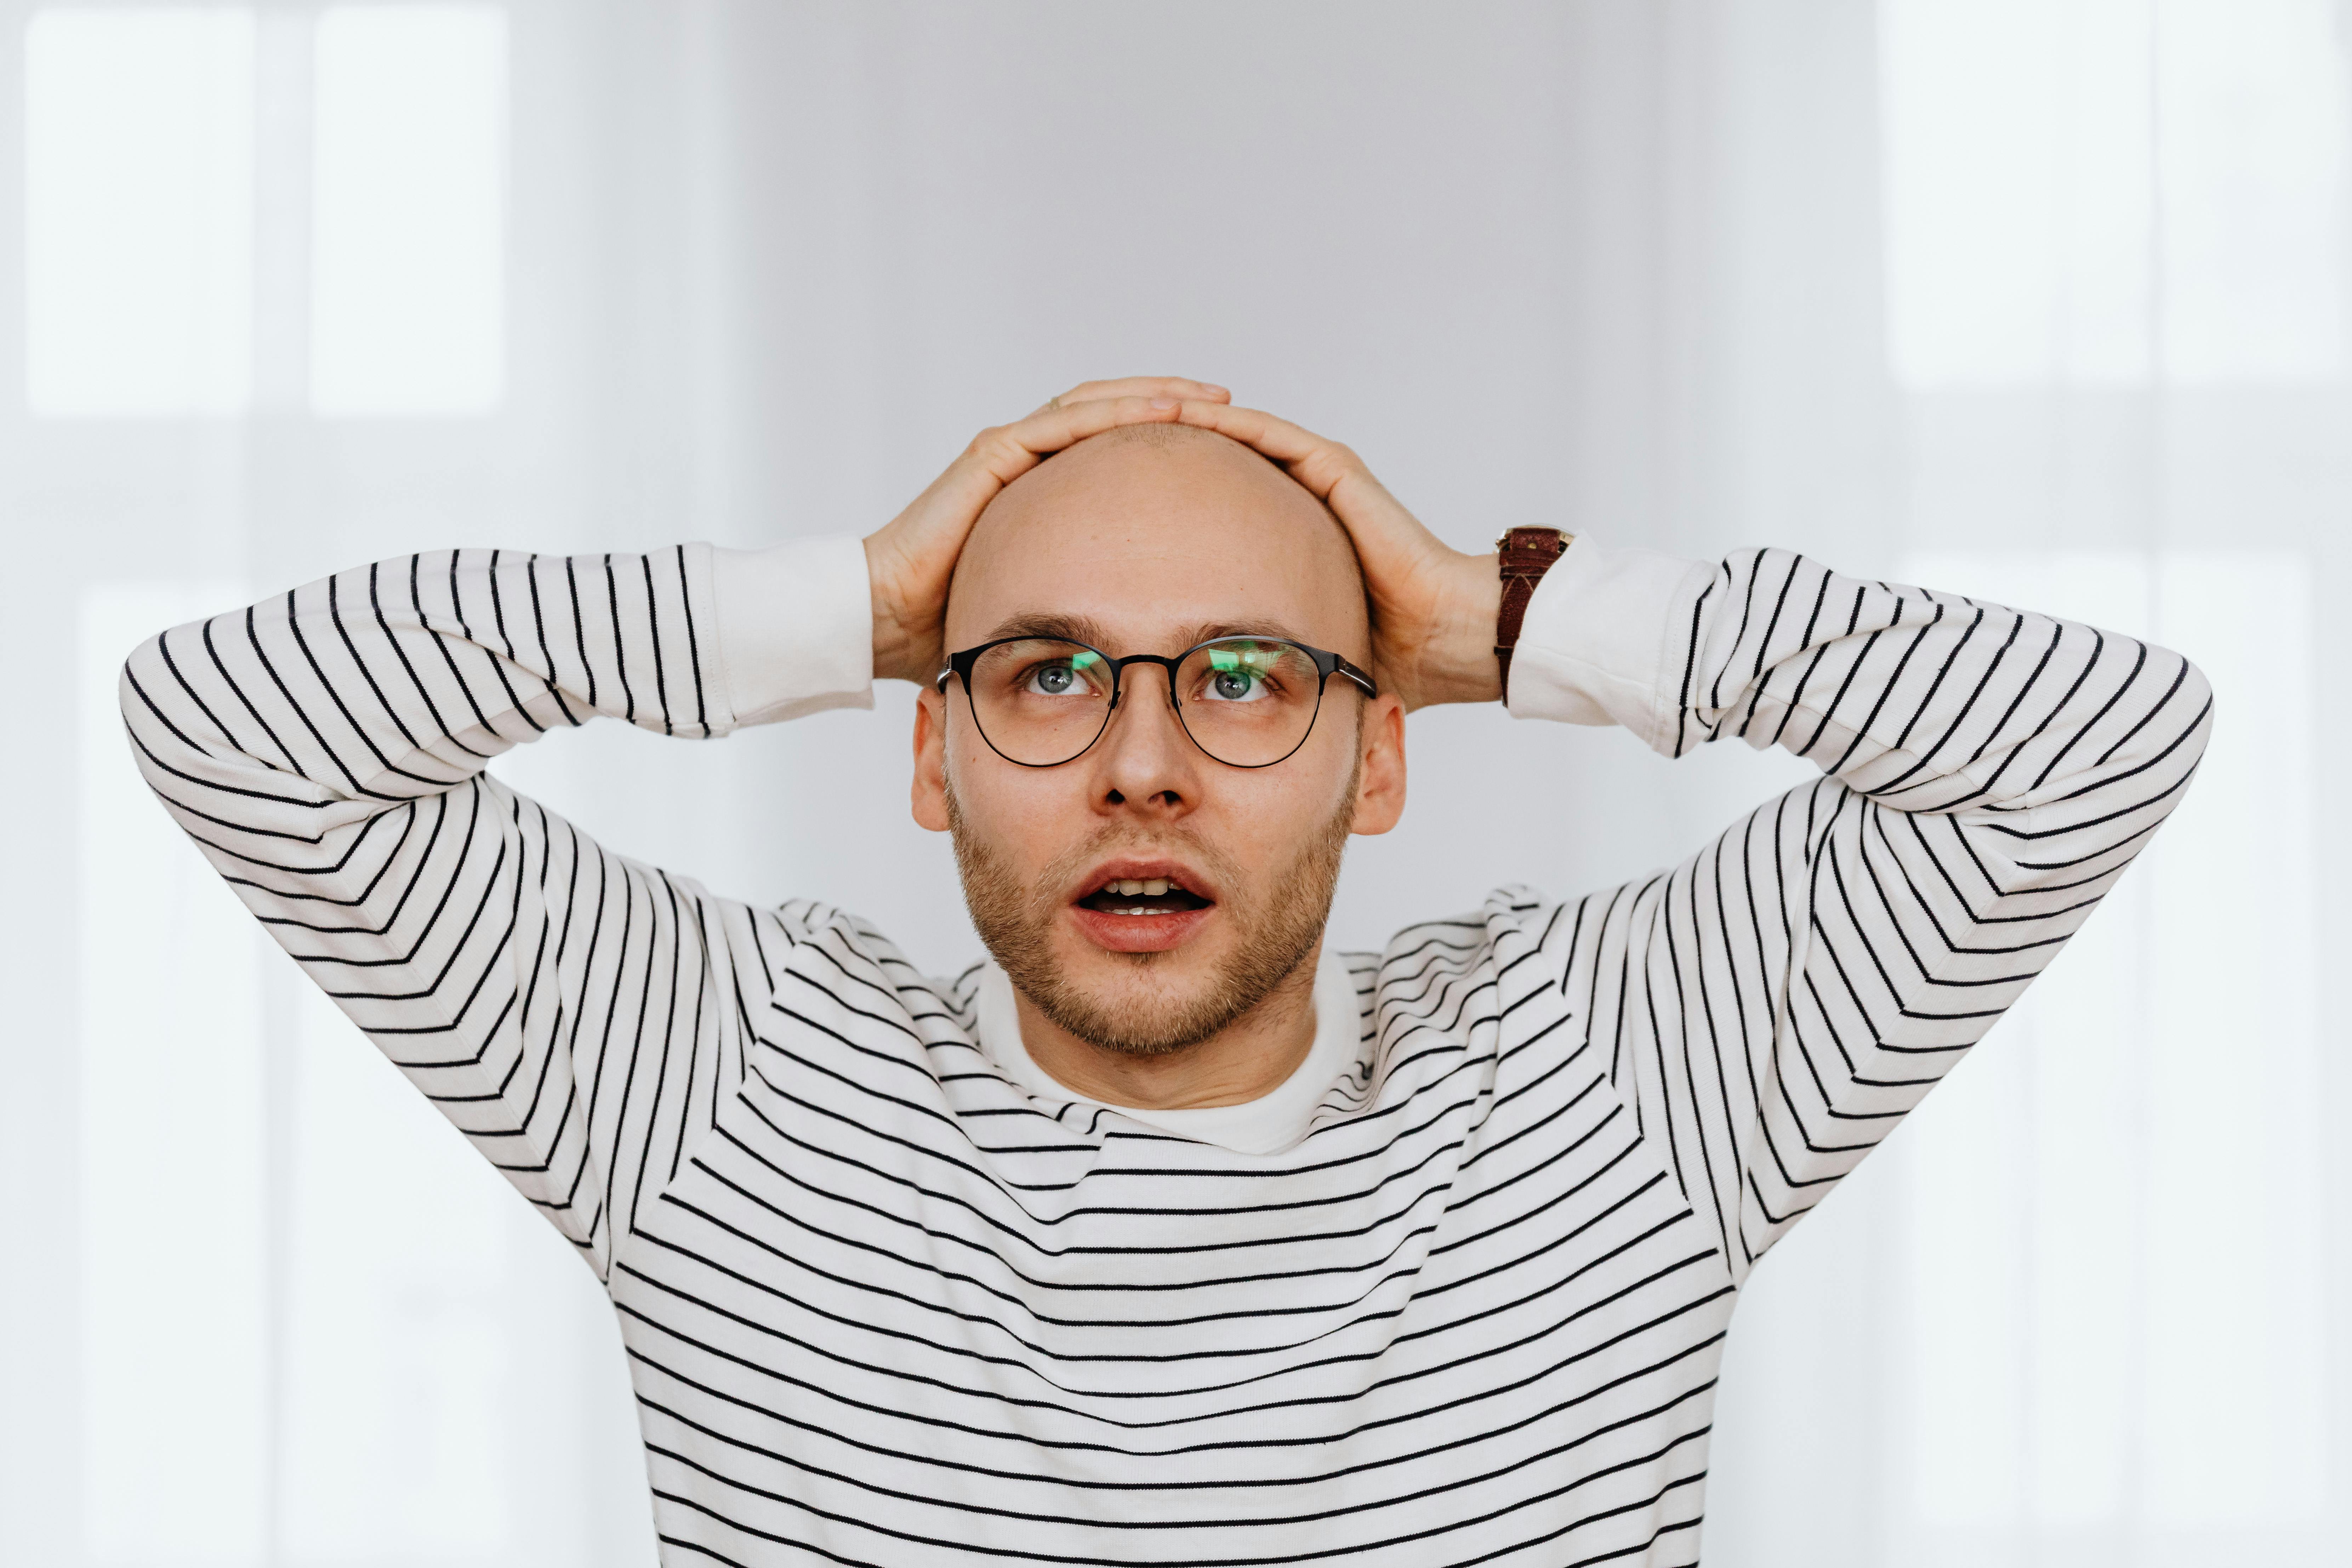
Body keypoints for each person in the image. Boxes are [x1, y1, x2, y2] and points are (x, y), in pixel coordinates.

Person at [122, 376, 2210, 1566]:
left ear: (1382, 751)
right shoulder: (723, 1077)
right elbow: (231, 723)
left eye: (1244, 677)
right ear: (926, 753)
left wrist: (1499, 617)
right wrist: (851, 601)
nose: (1139, 763)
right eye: (1041, 675)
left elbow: (2097, 739)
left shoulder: (1617, 1070)